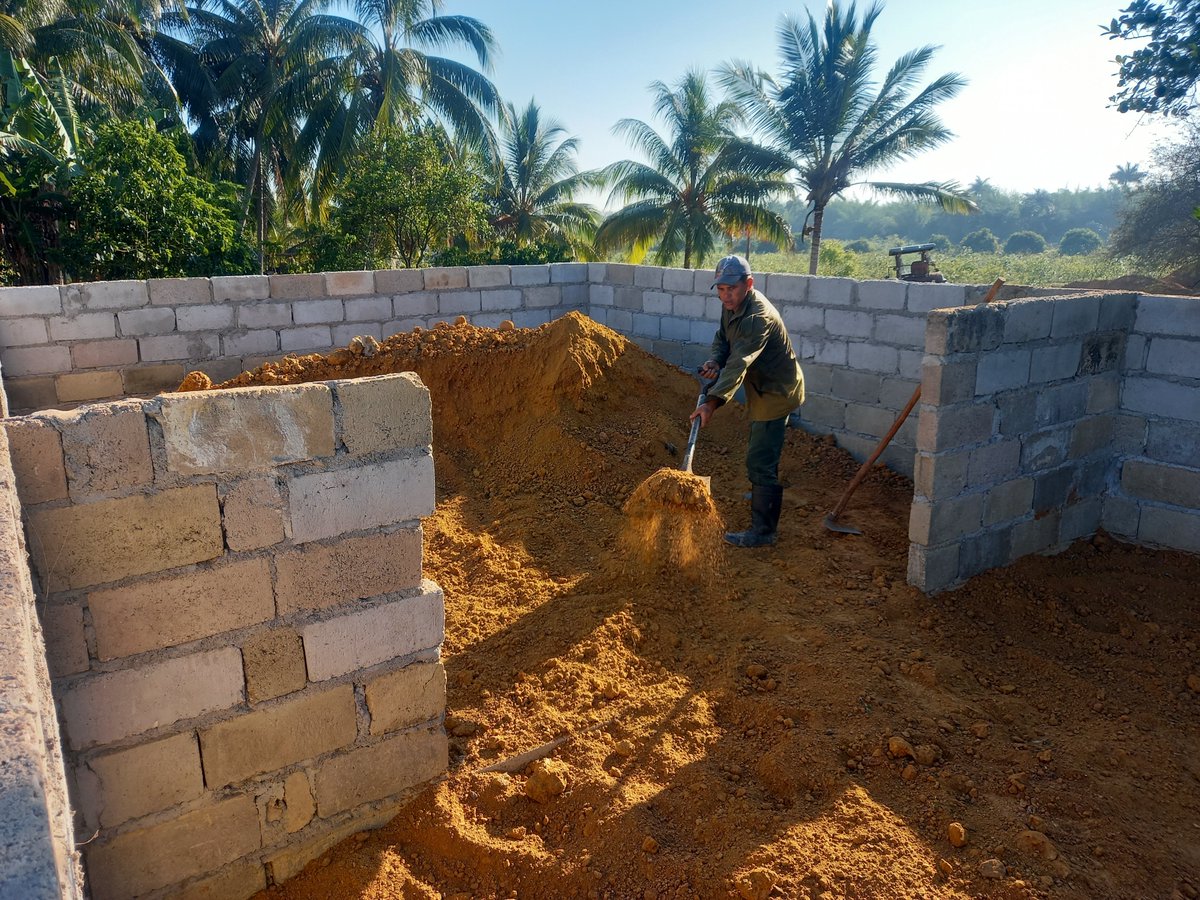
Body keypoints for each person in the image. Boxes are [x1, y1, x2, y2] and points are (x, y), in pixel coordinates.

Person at [690, 255, 805, 547]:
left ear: (748, 284)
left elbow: (739, 362)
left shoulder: (757, 317)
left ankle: (764, 531)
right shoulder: (732, 307)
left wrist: (711, 403)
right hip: (761, 387)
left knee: (760, 458)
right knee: (760, 446)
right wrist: (716, 360)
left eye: (732, 288)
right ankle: (761, 490)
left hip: (776, 391)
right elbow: (723, 340)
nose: (726, 295)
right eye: (721, 289)